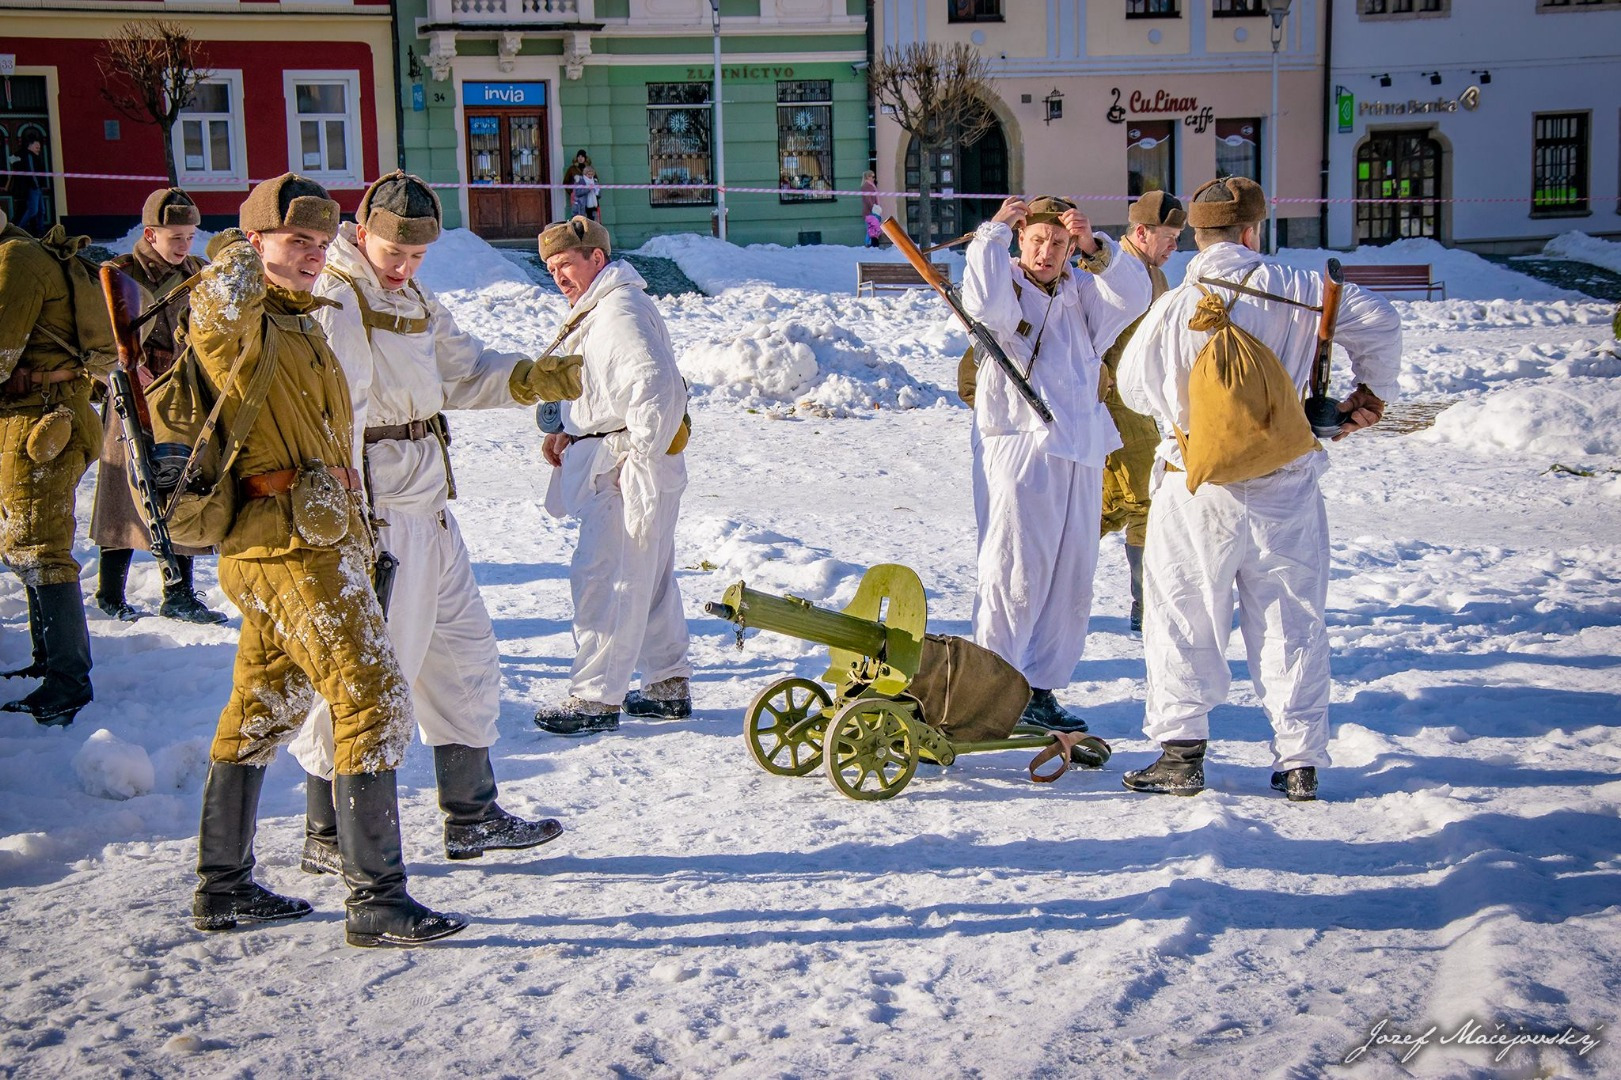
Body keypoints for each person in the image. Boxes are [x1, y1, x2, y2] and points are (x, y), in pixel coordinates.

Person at [187, 172, 464, 947]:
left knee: (261, 708)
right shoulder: (240, 319)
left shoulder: (301, 321)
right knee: (373, 696)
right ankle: (376, 899)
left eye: (319, 241)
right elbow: (215, 312)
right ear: (257, 243)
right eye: (294, 241)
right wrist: (240, 252)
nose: (312, 254)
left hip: (315, 538)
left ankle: (223, 887)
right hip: (287, 548)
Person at [286, 171, 583, 874]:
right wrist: (346, 518)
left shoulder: (413, 297)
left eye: (417, 255)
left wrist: (533, 378)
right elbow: (333, 412)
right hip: (378, 508)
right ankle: (326, 830)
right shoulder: (338, 299)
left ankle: (471, 815)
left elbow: (463, 370)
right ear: (362, 233)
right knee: (368, 669)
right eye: (395, 252)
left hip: (429, 501)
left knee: (465, 655)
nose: (405, 266)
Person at [1116, 176, 1401, 802]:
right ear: (1253, 231)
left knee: (1183, 613)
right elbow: (1380, 321)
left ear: (1197, 234)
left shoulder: (1172, 307)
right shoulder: (1302, 289)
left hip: (1196, 486)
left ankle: (1181, 753)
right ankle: (1299, 761)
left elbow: (1134, 389)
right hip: (1285, 483)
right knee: (1291, 619)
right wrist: (1370, 393)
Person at [960, 195, 1152, 732]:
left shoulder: (1080, 294)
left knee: (1072, 576)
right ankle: (992, 687)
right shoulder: (1005, 285)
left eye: (1059, 243)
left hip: (1081, 447)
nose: (1047, 252)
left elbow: (1134, 295)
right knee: (1014, 570)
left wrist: (1095, 247)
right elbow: (982, 303)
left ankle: (1040, 690)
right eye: (1037, 240)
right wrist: (993, 232)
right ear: (1022, 241)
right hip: (1019, 446)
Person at [533, 215, 692, 736]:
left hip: (626, 469)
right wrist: (570, 430)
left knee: (608, 579)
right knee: (649, 578)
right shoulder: (603, 309)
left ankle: (595, 698)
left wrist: (632, 454)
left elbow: (655, 386)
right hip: (626, 458)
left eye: (566, 264)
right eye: (551, 268)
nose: (559, 276)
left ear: (596, 259)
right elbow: (607, 389)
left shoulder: (619, 311)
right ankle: (667, 684)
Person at [0, 208, 115, 726]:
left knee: (42, 547)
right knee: (27, 541)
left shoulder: (16, 260)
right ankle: (47, 661)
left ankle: (67, 682)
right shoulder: (23, 252)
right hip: (43, 417)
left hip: (43, 424)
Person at [93, 186, 228, 625]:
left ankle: (180, 593)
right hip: (132, 394)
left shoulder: (198, 272)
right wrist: (124, 369)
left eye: (189, 236)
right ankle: (109, 593)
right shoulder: (120, 275)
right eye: (176, 237)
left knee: (178, 487)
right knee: (124, 495)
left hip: (180, 395)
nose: (185, 245)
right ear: (150, 234)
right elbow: (97, 340)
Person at [1097, 191, 1186, 634]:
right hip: (1111, 399)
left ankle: (1044, 579)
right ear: (1141, 232)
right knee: (1146, 498)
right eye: (1168, 237)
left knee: (1110, 504)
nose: (1174, 246)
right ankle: (1146, 605)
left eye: (1177, 238)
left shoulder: (1156, 274)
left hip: (1138, 401)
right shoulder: (1112, 268)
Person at [13, 137, 50, 235]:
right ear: (29, 146)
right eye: (37, 147)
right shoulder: (28, 156)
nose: (39, 149)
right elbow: (31, 171)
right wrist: (36, 185)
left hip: (37, 187)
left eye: (39, 147)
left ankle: (40, 231)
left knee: (41, 210)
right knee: (33, 210)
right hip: (33, 187)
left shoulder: (34, 156)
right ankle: (19, 230)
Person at [861, 171, 881, 247]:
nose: (873, 178)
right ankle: (867, 244)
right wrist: (873, 208)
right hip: (869, 211)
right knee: (870, 229)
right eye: (872, 177)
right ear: (867, 177)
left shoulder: (871, 185)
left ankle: (869, 244)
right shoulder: (866, 186)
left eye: (874, 177)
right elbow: (868, 200)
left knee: (872, 229)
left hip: (873, 210)